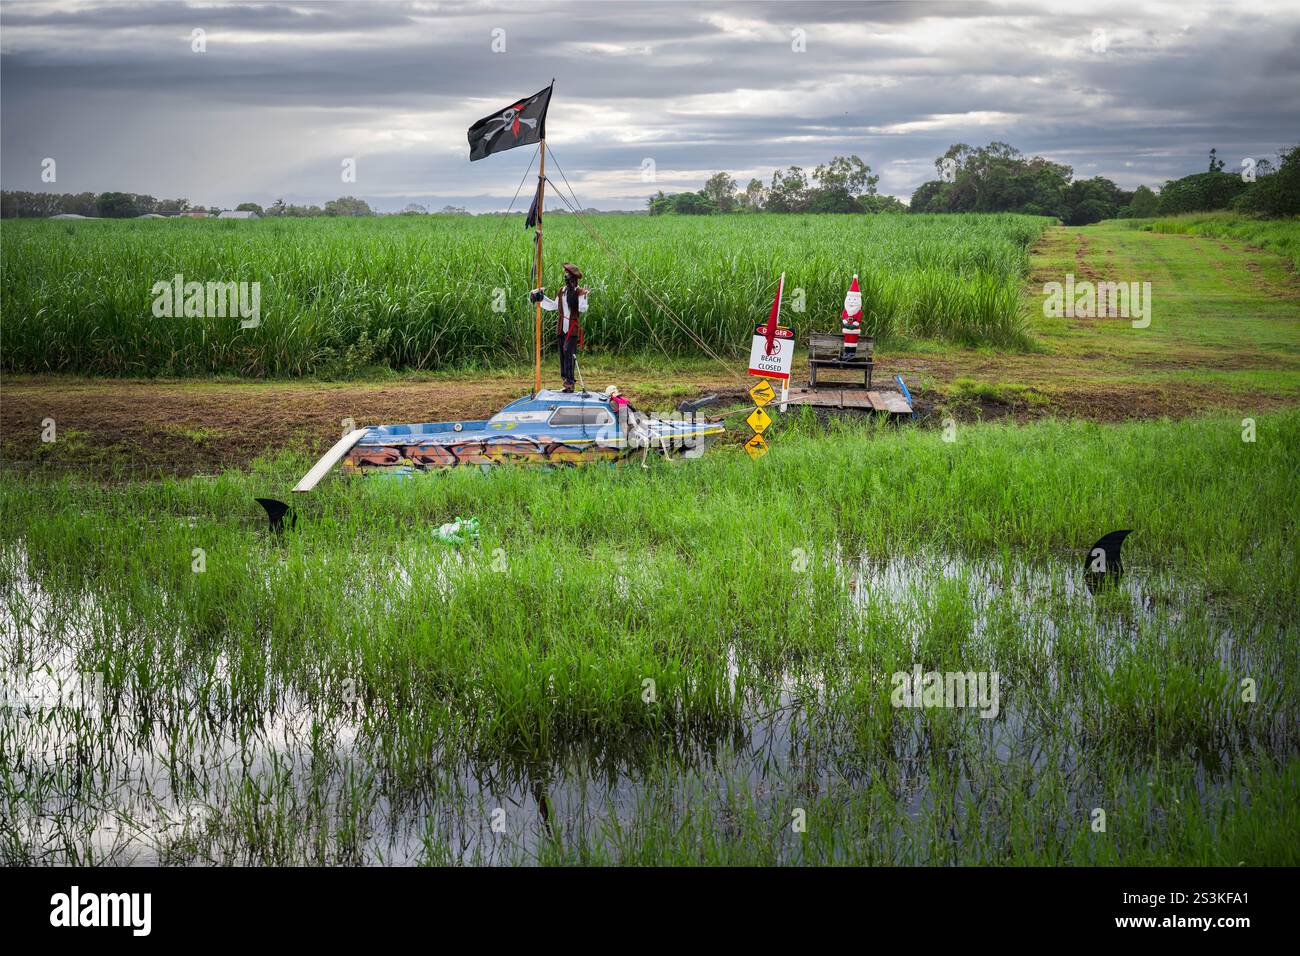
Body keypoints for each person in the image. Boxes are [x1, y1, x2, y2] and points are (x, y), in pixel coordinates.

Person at [531, 263, 587, 392]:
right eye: (565, 274)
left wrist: (584, 296)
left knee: (568, 352)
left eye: (568, 275)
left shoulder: (579, 292)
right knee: (562, 354)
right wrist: (541, 298)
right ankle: (565, 383)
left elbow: (583, 308)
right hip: (562, 326)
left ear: (574, 277)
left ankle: (570, 383)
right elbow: (554, 306)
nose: (566, 277)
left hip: (572, 327)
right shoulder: (561, 291)